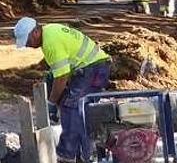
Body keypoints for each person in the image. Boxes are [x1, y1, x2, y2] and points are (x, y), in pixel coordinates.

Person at [14, 17, 111, 162]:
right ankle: (82, 149)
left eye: (27, 41)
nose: (27, 45)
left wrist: (52, 103)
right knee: (66, 98)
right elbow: (57, 75)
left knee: (72, 107)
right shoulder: (49, 31)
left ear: (35, 32)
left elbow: (62, 77)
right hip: (88, 67)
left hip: (94, 68)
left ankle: (68, 154)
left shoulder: (51, 43)